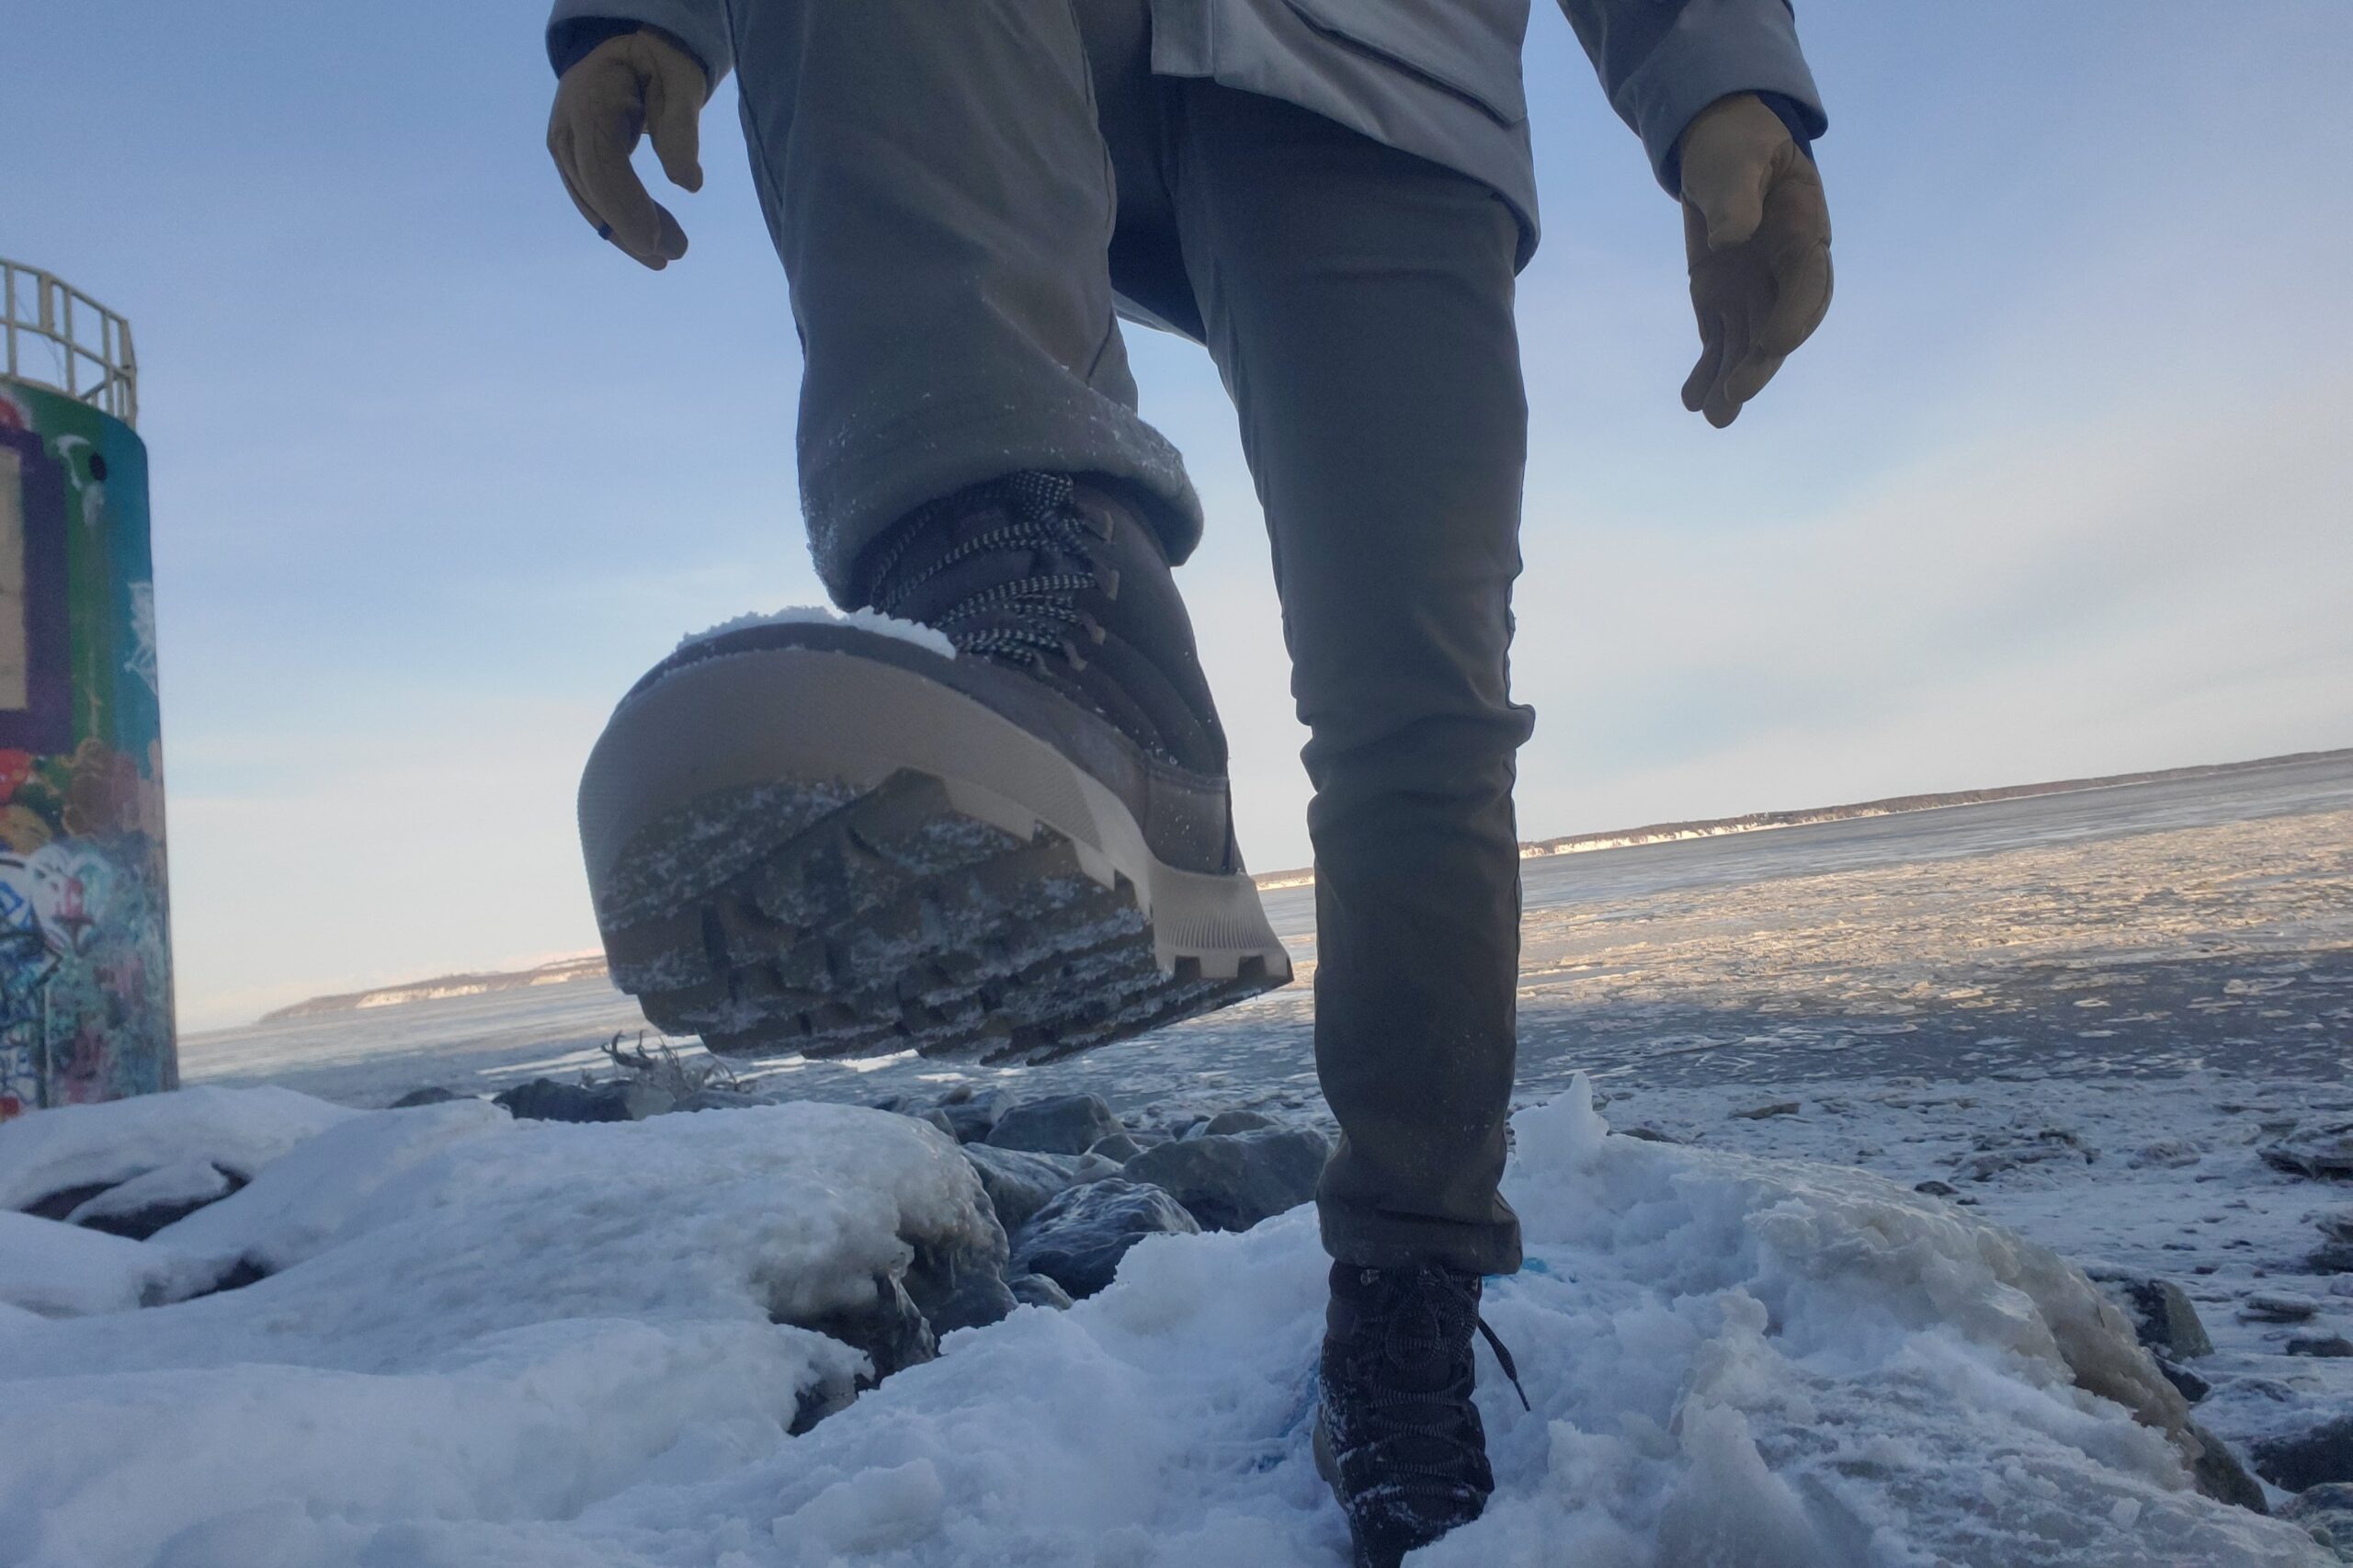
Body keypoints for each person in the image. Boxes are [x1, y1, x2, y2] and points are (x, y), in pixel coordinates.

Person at [543, 3, 1830, 1561]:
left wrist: (1716, 77)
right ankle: (1044, 603)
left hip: (1391, 76)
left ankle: (1407, 1288)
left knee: (1419, 707)